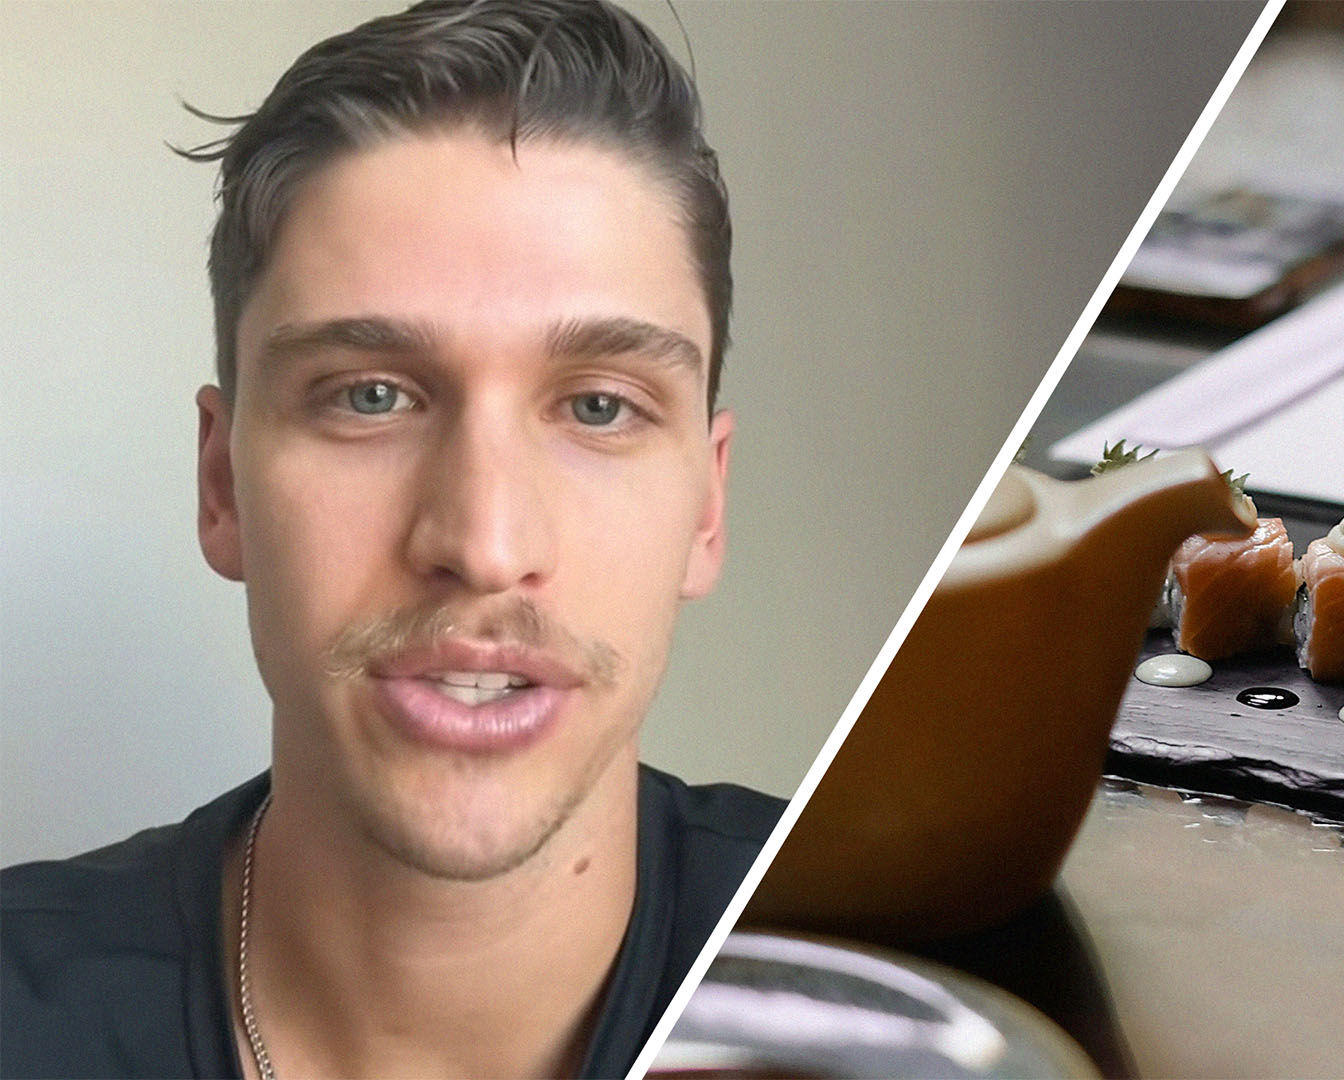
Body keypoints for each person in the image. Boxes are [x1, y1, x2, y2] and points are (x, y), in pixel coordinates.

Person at [1, 2, 783, 1076]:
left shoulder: (865, 953)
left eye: (599, 407)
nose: (485, 540)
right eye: (370, 396)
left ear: (707, 506)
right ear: (221, 484)